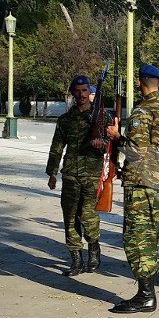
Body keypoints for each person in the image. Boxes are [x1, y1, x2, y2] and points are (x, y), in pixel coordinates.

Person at [106, 64, 159, 313]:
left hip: (141, 181)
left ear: (140, 82)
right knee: (150, 236)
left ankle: (146, 295)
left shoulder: (143, 111)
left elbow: (137, 150)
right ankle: (147, 292)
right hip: (156, 181)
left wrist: (117, 136)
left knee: (136, 238)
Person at [46, 75, 106, 276]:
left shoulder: (99, 117)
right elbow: (56, 147)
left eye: (84, 91)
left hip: (91, 173)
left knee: (87, 215)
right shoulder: (65, 120)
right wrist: (52, 172)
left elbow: (110, 144)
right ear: (72, 93)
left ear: (90, 93)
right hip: (71, 173)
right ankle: (76, 259)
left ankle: (94, 249)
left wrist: (101, 145)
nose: (81, 95)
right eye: (77, 91)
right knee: (70, 217)